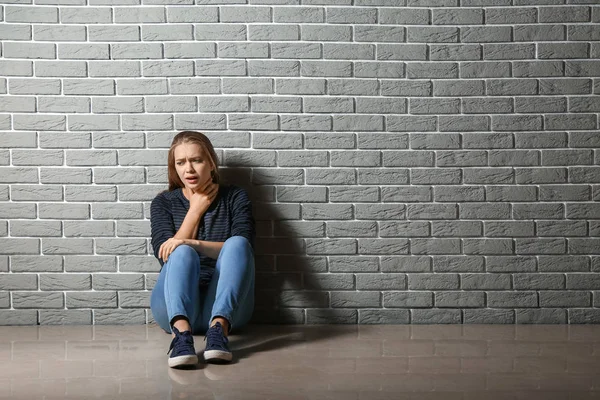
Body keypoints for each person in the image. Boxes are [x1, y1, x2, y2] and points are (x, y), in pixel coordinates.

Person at [149, 130, 255, 368]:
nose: (189, 169)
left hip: (226, 306)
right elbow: (166, 256)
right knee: (180, 252)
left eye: (196, 160)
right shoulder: (163, 202)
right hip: (172, 306)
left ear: (211, 163)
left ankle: (218, 331)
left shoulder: (235, 197)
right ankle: (181, 335)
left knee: (237, 243)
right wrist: (195, 209)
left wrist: (191, 242)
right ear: (174, 168)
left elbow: (243, 252)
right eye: (181, 162)